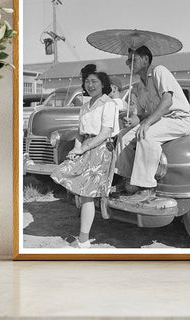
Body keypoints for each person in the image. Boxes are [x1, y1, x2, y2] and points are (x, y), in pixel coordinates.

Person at [50, 64, 119, 248]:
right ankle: (84, 230)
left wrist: (83, 149)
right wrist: (75, 150)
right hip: (85, 148)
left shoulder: (109, 104)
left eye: (94, 81)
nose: (90, 85)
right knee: (62, 172)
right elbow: (81, 133)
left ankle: (83, 241)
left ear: (103, 84)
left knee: (86, 194)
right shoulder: (85, 106)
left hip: (102, 149)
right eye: (87, 81)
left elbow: (105, 134)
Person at [115, 45, 190, 201]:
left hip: (178, 118)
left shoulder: (159, 71)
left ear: (146, 59)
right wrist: (132, 121)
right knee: (124, 136)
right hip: (158, 120)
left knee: (146, 135)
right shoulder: (137, 87)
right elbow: (139, 115)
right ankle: (127, 181)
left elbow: (167, 101)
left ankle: (147, 188)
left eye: (133, 59)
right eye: (128, 61)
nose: (129, 63)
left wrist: (146, 123)